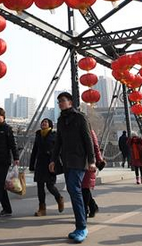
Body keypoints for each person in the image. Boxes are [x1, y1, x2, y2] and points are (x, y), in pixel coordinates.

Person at [49, 92, 95, 243]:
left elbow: (88, 139)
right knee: (72, 190)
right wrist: (53, 160)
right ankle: (80, 226)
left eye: (62, 101)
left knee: (74, 190)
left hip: (79, 159)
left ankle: (82, 227)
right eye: (58, 102)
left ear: (70, 102)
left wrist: (92, 160)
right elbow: (59, 142)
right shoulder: (61, 120)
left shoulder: (80, 117)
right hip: (67, 161)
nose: (60, 103)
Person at [29, 118, 64, 216]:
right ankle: (42, 208)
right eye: (42, 122)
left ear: (50, 125)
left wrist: (62, 164)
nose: (44, 123)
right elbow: (34, 151)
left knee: (50, 186)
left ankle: (59, 198)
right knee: (40, 187)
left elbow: (59, 150)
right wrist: (31, 165)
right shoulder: (38, 135)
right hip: (40, 164)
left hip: (50, 164)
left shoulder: (54, 135)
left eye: (46, 122)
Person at [81, 128, 104, 219]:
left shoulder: (89, 131)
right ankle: (92, 206)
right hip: (76, 161)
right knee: (82, 187)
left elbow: (96, 147)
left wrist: (99, 160)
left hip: (88, 161)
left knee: (85, 187)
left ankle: (84, 211)